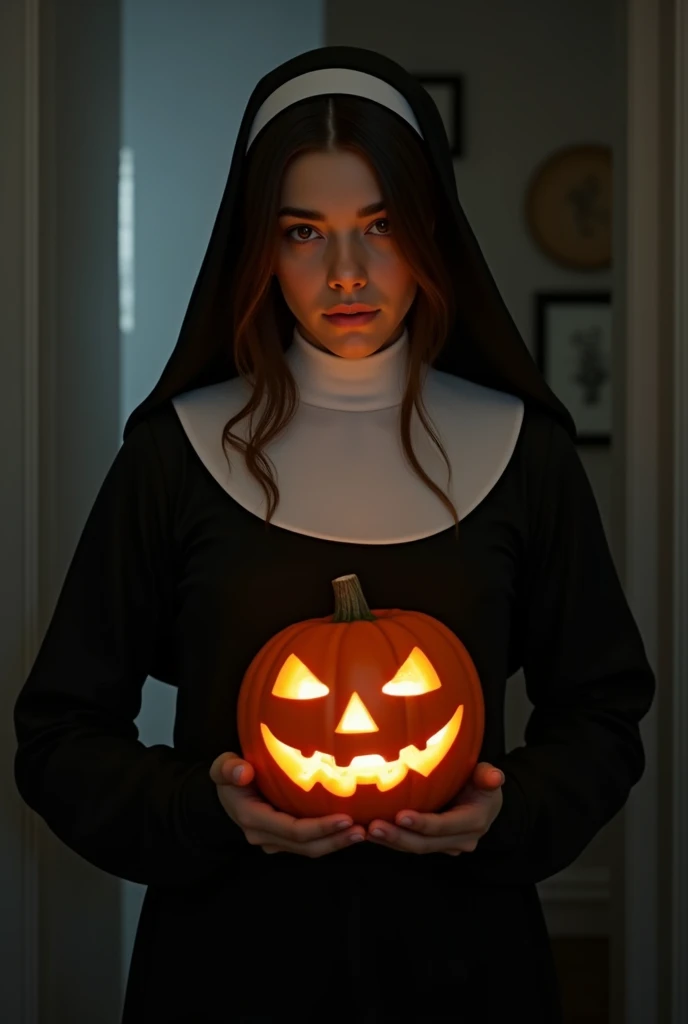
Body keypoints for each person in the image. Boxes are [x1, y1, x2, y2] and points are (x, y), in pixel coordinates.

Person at [13, 45, 655, 1023]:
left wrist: (508, 811)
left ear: (430, 231)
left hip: (469, 970)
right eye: (305, 232)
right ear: (259, 249)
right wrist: (204, 806)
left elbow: (603, 712)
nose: (346, 272)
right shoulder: (174, 452)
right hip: (224, 970)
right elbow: (59, 738)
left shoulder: (525, 451)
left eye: (380, 227)